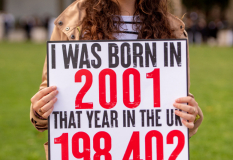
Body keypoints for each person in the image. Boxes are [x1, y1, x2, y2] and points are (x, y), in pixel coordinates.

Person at [30, 0, 204, 159]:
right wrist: (39, 110)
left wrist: (190, 113)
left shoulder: (172, 28)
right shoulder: (71, 22)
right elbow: (49, 98)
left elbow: (177, 104)